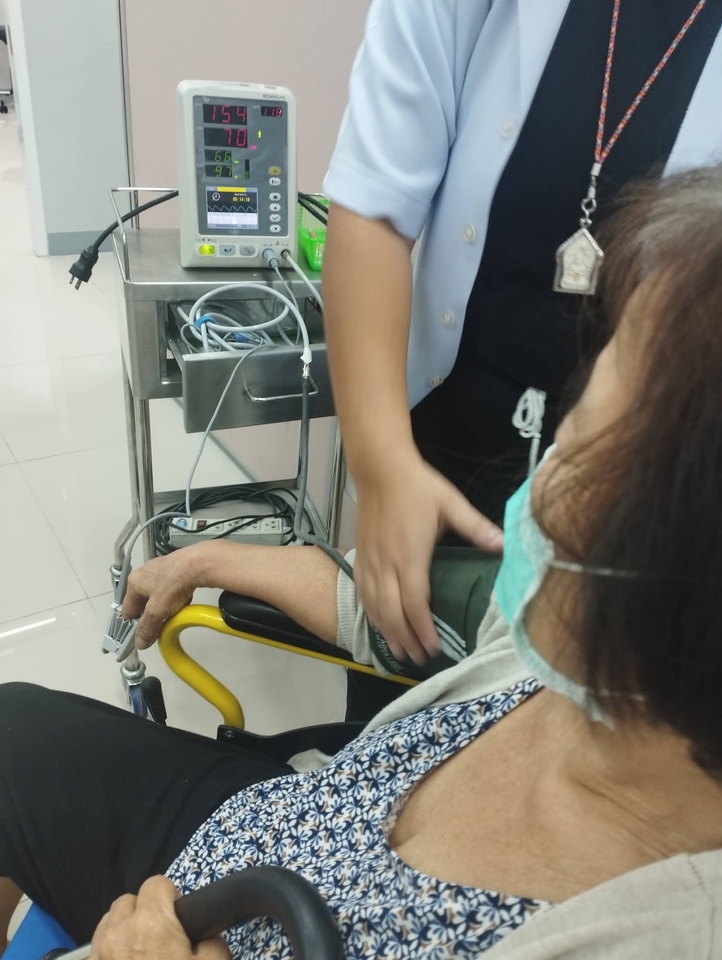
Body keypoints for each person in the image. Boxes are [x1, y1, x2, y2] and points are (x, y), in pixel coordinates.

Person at [3, 165, 722, 958]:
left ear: (674, 594)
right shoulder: (553, 650)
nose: (542, 470)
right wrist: (205, 559)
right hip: (280, 823)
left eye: (579, 441)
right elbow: (381, 608)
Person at [321, 0, 722, 721]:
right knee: (396, 718)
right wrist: (380, 466)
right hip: (437, 455)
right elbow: (373, 202)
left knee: (560, 742)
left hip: (631, 516)